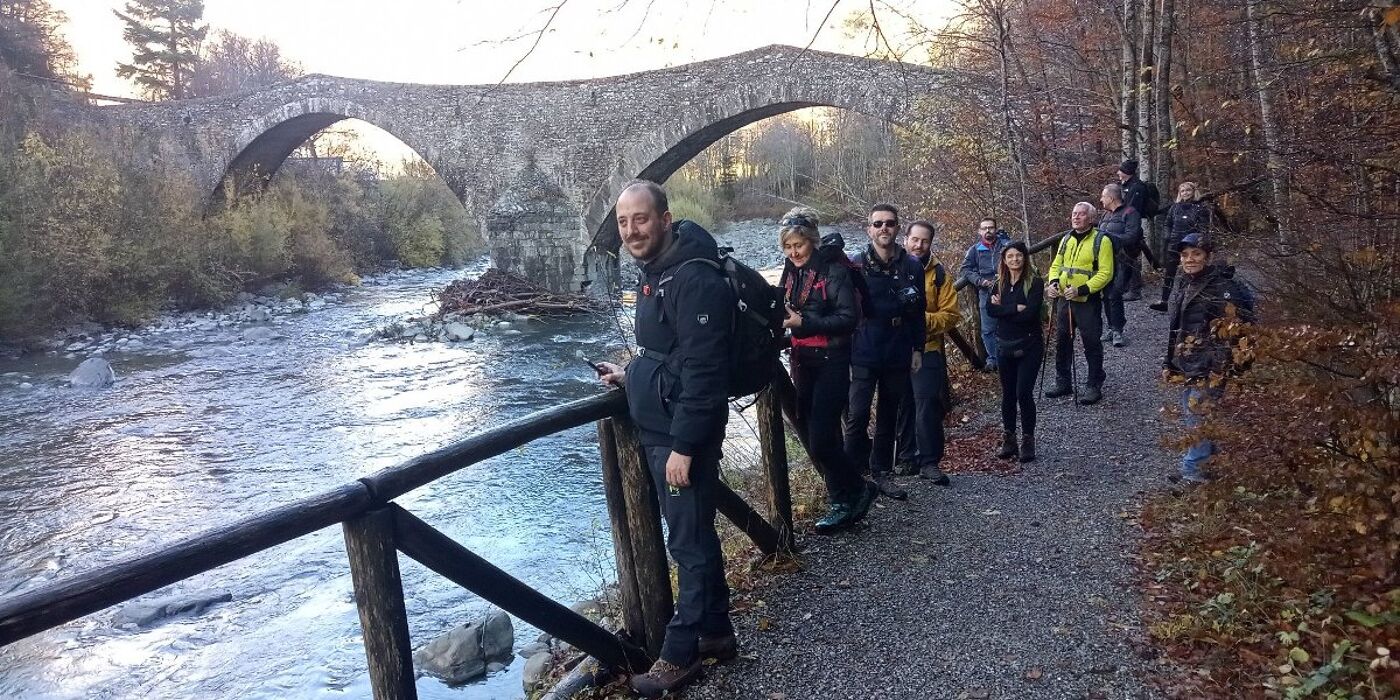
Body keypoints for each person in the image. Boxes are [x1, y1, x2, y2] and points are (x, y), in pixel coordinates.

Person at [595, 180, 735, 697]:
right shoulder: (659, 273)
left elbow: (705, 373)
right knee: (696, 535)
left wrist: (684, 446)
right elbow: (668, 355)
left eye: (642, 219)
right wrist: (630, 373)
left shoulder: (694, 280)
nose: (632, 230)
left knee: (688, 545)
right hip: (663, 428)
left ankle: (679, 656)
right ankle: (717, 633)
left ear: (666, 218)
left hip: (680, 438)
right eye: (625, 221)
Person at [777, 208, 878, 532]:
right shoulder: (790, 271)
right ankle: (842, 500)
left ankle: (860, 488)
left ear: (813, 242)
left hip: (832, 361)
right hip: (802, 361)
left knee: (820, 439)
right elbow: (782, 307)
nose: (794, 252)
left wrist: (804, 323)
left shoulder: (834, 271)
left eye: (799, 245)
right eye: (788, 247)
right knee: (816, 433)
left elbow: (848, 319)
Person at [846, 203, 926, 501]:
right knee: (857, 413)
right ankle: (851, 477)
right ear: (869, 229)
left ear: (897, 228)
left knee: (889, 415)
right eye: (877, 224)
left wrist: (918, 348)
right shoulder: (855, 265)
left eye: (889, 223)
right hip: (865, 345)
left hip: (898, 344)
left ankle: (882, 472)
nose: (884, 229)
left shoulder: (911, 265)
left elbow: (919, 311)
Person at [1163, 233, 1240, 484]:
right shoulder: (1184, 282)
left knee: (1196, 415)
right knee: (1197, 414)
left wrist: (1219, 366)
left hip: (1209, 365)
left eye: (1196, 254)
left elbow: (1233, 333)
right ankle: (1209, 464)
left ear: (1207, 256)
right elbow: (1177, 328)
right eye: (1185, 255)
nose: (1190, 259)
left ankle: (1193, 473)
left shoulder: (1222, 287)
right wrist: (1169, 362)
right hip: (1188, 362)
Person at [897, 220, 960, 484]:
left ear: (930, 243)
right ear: (906, 240)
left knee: (926, 406)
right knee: (900, 405)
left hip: (928, 348)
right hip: (893, 350)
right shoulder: (891, 268)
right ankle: (904, 458)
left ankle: (929, 461)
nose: (919, 245)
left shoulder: (939, 274)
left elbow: (951, 314)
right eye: (915, 239)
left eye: (924, 241)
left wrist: (919, 321)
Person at [1045, 202, 1115, 405]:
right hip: (1064, 300)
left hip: (1087, 301)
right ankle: (1063, 382)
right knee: (1062, 341)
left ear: (1091, 218)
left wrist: (1082, 289)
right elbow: (1056, 265)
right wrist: (1054, 282)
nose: (1076, 217)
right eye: (1074, 214)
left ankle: (1094, 384)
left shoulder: (1102, 241)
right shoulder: (1066, 239)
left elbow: (1105, 272)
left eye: (1081, 214)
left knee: (1091, 342)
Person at [986, 241, 1045, 462]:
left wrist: (1004, 310)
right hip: (1004, 345)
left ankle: (1028, 440)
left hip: (1029, 345)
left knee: (1023, 392)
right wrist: (1013, 308)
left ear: (1024, 258)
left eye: (1018, 256)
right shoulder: (998, 283)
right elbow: (991, 310)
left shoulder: (1034, 282)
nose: (1014, 260)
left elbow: (1030, 314)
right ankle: (1009, 439)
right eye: (1010, 256)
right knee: (1008, 394)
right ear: (1004, 259)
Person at [1150, 181, 1211, 312]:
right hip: (1174, 243)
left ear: (1193, 191)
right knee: (1169, 273)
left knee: (1191, 272)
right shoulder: (1175, 207)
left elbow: (1204, 228)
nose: (1185, 193)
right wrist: (1167, 236)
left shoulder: (1200, 208)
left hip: (1191, 246)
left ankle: (1188, 300)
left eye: (1188, 190)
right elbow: (1168, 223)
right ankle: (1164, 301)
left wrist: (1198, 241)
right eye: (1182, 191)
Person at [959, 218, 1011, 371]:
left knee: (1009, 323)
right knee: (988, 329)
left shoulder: (1005, 246)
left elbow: (1019, 259)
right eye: (985, 228)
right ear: (979, 231)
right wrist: (980, 281)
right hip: (986, 292)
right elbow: (965, 269)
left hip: (1008, 289)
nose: (988, 231)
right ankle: (995, 359)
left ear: (996, 229)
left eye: (991, 228)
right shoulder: (975, 250)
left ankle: (1009, 355)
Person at [1098, 183, 1143, 347]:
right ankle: (1111, 326)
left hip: (1124, 260)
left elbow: (1132, 236)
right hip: (1105, 261)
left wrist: (1109, 238)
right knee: (1106, 294)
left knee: (1115, 294)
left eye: (1103, 196)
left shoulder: (1130, 213)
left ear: (1110, 197)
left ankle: (1117, 330)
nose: (1101, 199)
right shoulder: (1105, 215)